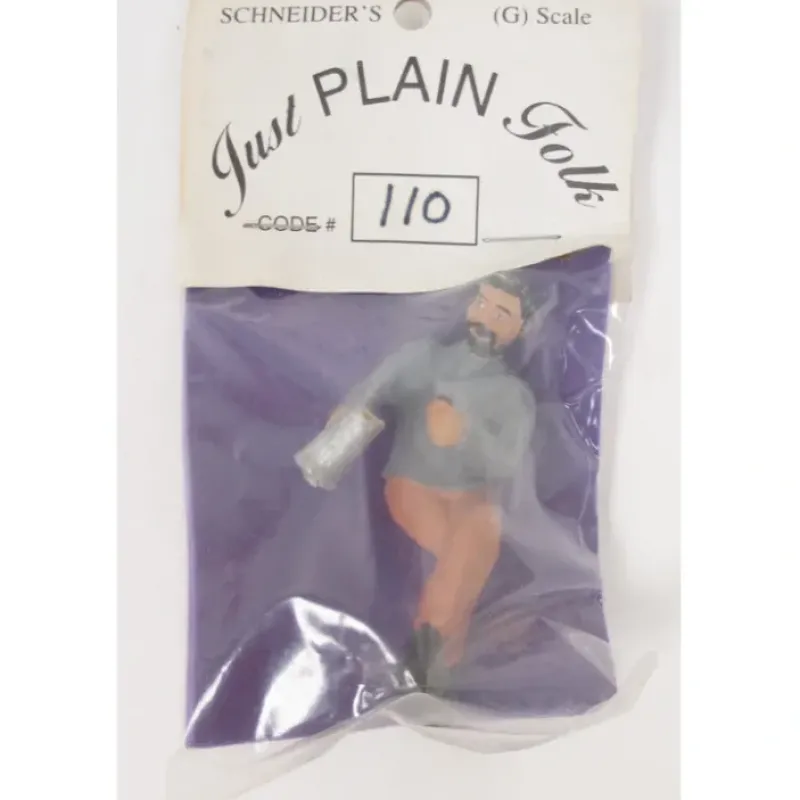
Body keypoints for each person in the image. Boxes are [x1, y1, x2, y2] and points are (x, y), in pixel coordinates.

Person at [343, 271, 536, 683]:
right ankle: (438, 658)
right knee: (469, 558)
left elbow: (507, 464)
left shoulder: (512, 394)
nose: (485, 318)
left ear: (519, 330)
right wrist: (341, 432)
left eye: (501, 314)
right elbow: (372, 393)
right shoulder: (425, 359)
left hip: (472, 498)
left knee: (478, 530)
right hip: (414, 487)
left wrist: (467, 434)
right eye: (481, 303)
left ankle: (431, 660)